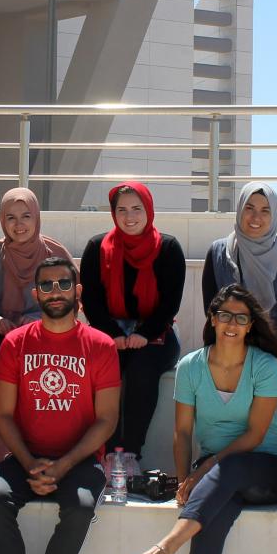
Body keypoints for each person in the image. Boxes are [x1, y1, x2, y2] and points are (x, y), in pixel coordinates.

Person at [135, 285, 277, 554]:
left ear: (251, 325)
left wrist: (203, 468)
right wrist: (183, 478)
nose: (232, 324)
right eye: (225, 316)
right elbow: (183, 432)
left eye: (241, 318)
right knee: (215, 512)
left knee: (228, 469)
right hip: (219, 474)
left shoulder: (264, 365)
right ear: (212, 319)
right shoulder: (191, 366)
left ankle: (167, 545)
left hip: (267, 468)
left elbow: (255, 435)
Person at [0, 257, 120, 554]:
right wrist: (28, 463)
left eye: (64, 283)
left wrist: (63, 466)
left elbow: (106, 419)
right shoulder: (15, 343)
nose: (55, 290)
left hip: (77, 460)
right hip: (25, 456)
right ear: (35, 293)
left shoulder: (101, 345)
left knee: (79, 508)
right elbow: (3, 415)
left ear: (77, 291)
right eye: (47, 284)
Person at [79, 181, 185, 459]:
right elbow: (91, 301)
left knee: (141, 368)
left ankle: (130, 453)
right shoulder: (97, 247)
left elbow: (169, 304)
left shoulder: (168, 248)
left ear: (149, 210)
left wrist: (145, 334)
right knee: (106, 370)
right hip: (107, 331)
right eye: (122, 210)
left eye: (137, 209)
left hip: (156, 331)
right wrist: (112, 333)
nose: (129, 217)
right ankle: (108, 451)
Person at [0, 187, 72, 466]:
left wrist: (41, 318)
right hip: (0, 334)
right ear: (3, 220)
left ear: (36, 217)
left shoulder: (55, 254)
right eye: (11, 218)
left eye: (26, 216)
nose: (19, 225)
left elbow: (69, 301)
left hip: (44, 332)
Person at [203, 181, 277, 378]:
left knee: (272, 367)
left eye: (265, 210)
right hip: (230, 333)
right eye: (249, 208)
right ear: (239, 210)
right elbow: (211, 309)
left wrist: (263, 341)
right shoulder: (218, 252)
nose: (256, 217)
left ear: (274, 214)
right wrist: (240, 337)